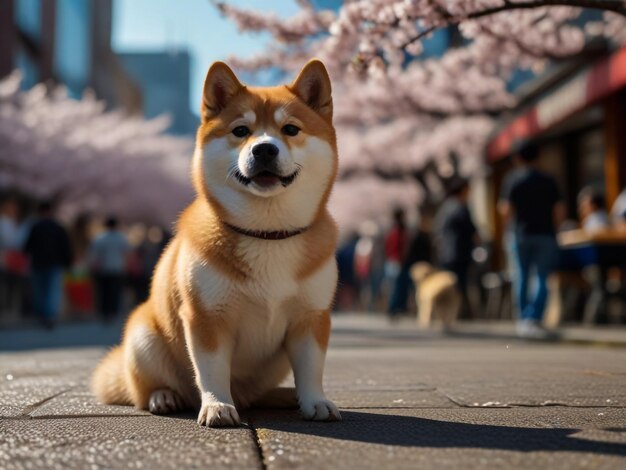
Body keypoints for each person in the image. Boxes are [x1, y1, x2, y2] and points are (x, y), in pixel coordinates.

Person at [499, 141, 565, 339]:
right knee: (542, 277)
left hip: (521, 234)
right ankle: (534, 317)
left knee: (522, 275)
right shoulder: (549, 180)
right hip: (546, 234)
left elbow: (505, 209)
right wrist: (556, 229)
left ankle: (523, 319)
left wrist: (507, 230)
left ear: (517, 158)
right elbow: (559, 210)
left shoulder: (512, 179)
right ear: (538, 156)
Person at [24, 201, 73, 328]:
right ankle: (50, 315)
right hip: (55, 264)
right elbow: (65, 247)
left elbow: (27, 247)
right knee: (52, 290)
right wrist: (68, 262)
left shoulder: (35, 227)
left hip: (37, 263)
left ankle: (41, 314)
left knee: (39, 290)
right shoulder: (58, 227)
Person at [433, 178, 478, 318]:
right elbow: (471, 230)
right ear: (463, 190)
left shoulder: (445, 207)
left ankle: (446, 312)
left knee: (448, 284)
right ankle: (460, 312)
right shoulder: (460, 207)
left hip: (445, 252)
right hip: (459, 251)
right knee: (459, 283)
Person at [388, 208, 433, 317]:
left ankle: (399, 308)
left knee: (400, 286)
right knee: (399, 286)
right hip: (399, 262)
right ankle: (395, 308)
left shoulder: (400, 230)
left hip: (399, 261)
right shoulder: (399, 230)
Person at [90, 216, 131, 321]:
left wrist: (94, 267)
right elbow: (127, 253)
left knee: (103, 292)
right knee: (115, 292)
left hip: (103, 269)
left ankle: (104, 312)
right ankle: (114, 312)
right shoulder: (121, 238)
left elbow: (95, 255)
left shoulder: (100, 238)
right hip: (117, 268)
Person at [383, 208, 409, 309]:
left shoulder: (390, 229)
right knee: (396, 287)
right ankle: (394, 308)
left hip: (390, 260)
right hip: (396, 260)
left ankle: (392, 307)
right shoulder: (400, 230)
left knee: (392, 286)